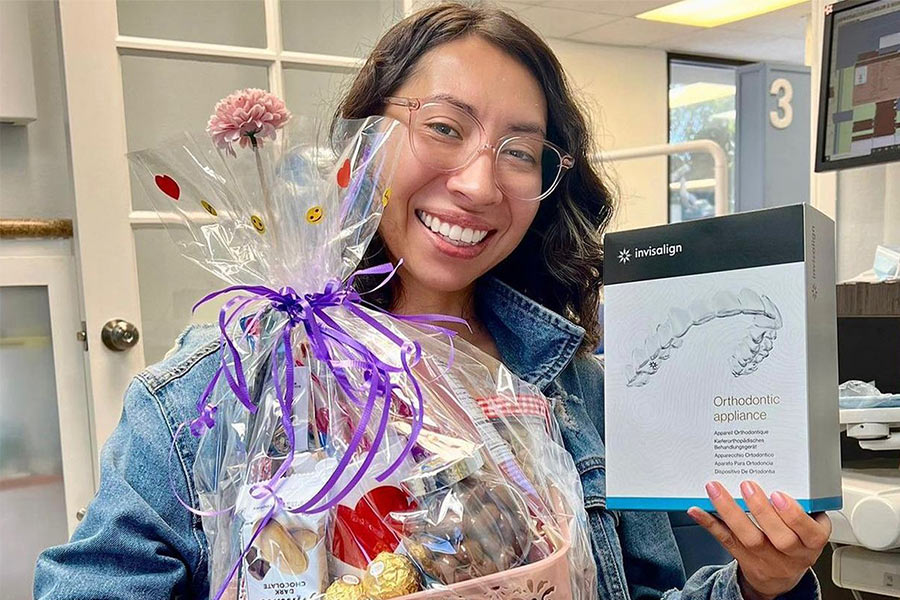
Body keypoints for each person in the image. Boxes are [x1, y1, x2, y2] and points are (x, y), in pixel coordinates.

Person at [34, 3, 831, 599]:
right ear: (364, 137)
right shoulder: (217, 395)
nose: (480, 183)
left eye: (520, 151)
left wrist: (762, 584)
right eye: (444, 127)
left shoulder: (579, 388)